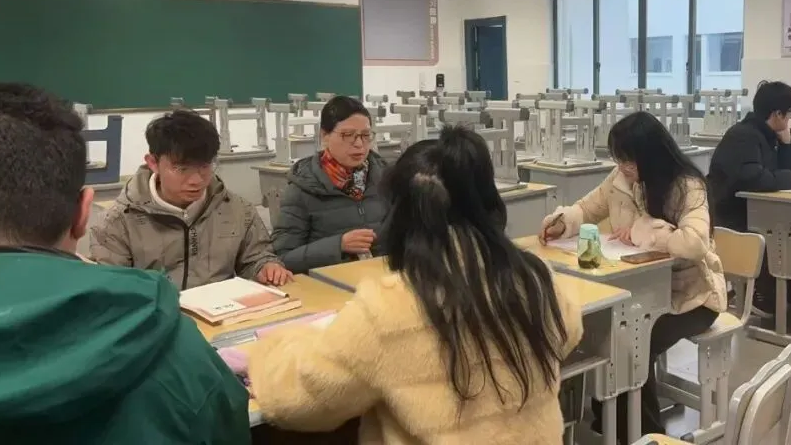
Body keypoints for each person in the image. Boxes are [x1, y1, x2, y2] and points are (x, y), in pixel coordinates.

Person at [246, 127, 584, 443]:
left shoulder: (388, 310)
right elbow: (569, 332)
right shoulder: (534, 278)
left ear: (399, 213)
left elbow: (298, 400)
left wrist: (271, 347)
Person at [0, 84, 249, 444]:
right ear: (83, 213)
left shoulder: (234, 206)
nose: (196, 179)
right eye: (182, 167)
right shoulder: (174, 350)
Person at [540, 111, 727, 441]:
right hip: (639, 291)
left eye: (629, 160)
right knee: (607, 334)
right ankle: (610, 419)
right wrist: (562, 222)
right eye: (619, 159)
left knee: (633, 343)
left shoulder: (687, 186)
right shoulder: (621, 179)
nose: (623, 167)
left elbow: (695, 243)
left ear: (652, 155)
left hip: (691, 297)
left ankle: (644, 433)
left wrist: (647, 230)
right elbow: (587, 208)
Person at [91, 109, 291, 289]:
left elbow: (256, 258)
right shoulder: (117, 222)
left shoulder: (238, 210)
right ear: (153, 163)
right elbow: (113, 291)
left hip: (222, 313)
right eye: (181, 169)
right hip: (154, 314)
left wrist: (265, 267)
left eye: (205, 166)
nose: (196, 180)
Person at [273, 96, 389, 272]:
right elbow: (282, 259)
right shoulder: (303, 188)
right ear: (324, 136)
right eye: (347, 135)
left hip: (382, 279)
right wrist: (338, 245)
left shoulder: (386, 178)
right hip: (328, 284)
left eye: (366, 135)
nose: (359, 144)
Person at [708, 81, 791, 232]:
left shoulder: (769, 134)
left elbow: (789, 169)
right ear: (778, 114)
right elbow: (754, 179)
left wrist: (787, 144)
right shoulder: (743, 136)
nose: (790, 119)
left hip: (750, 212)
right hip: (730, 218)